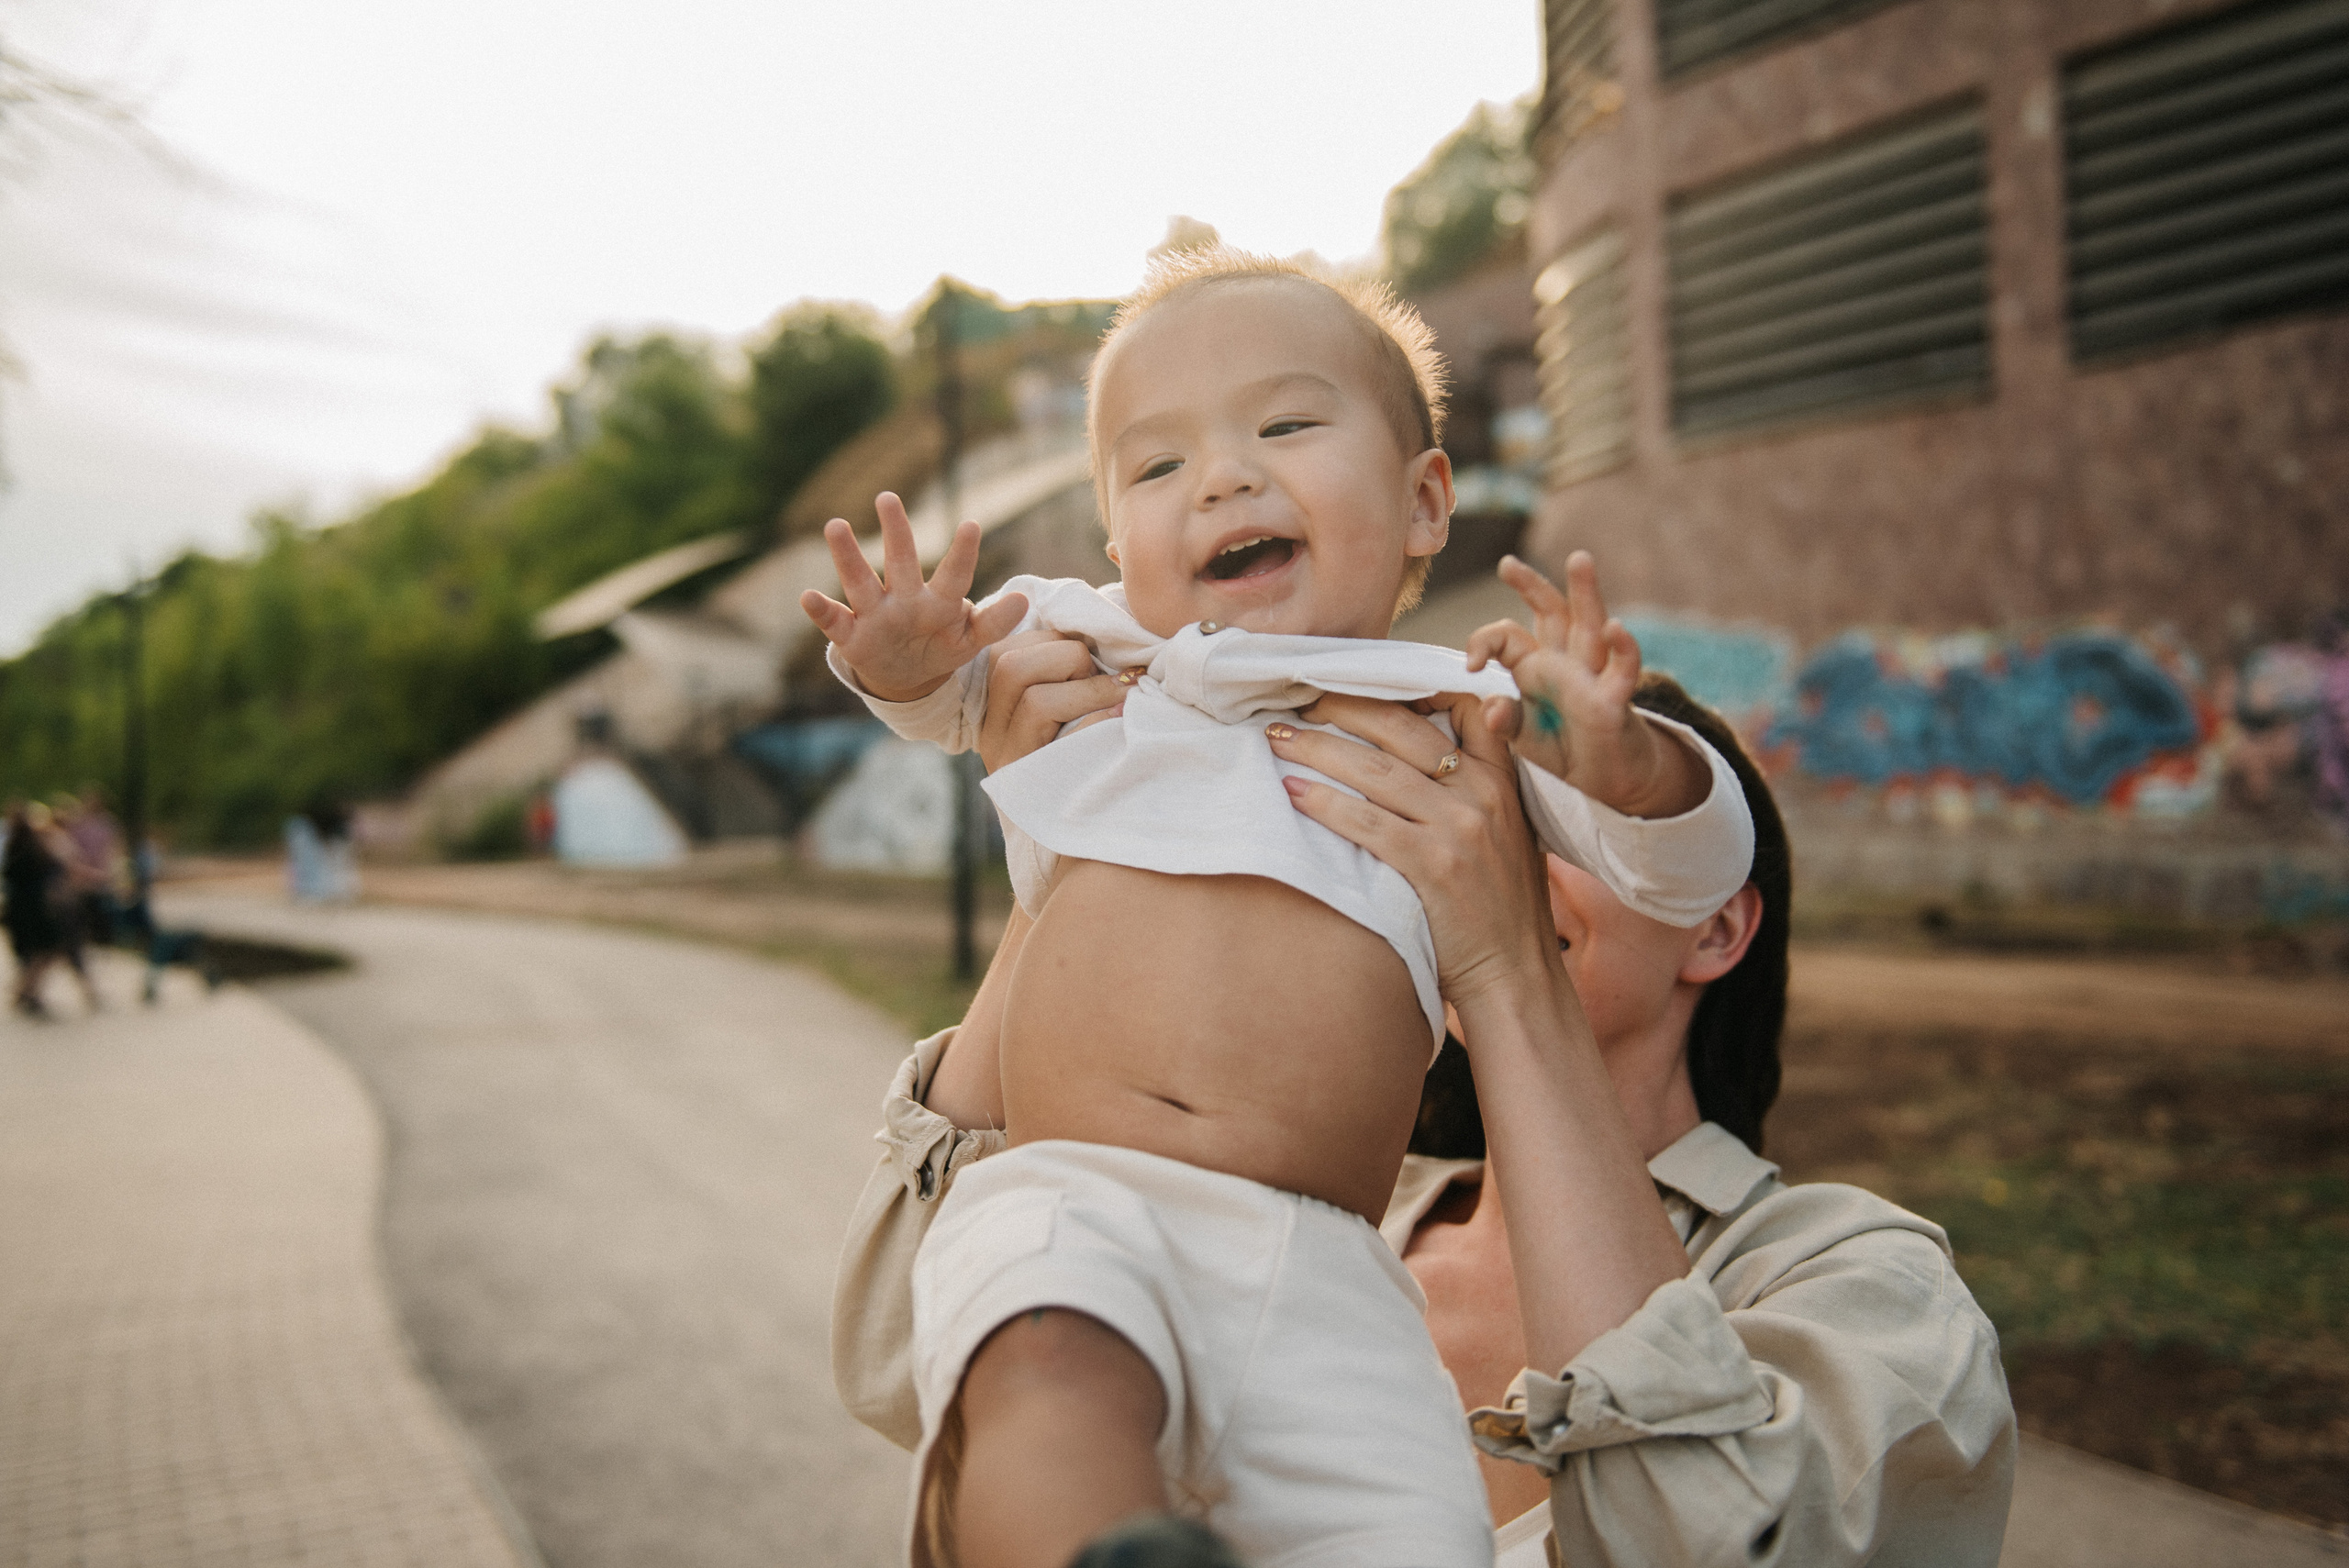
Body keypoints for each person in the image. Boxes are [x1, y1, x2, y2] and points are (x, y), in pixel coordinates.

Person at [807, 250, 1755, 1568]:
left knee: (1411, 1523)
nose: (1222, 478)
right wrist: (901, 665)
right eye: (1155, 466)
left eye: (1287, 425)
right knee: (1044, 1378)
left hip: (1325, 1269)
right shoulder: (1104, 659)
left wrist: (1631, 758)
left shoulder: (1458, 725)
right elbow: (949, 694)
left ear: (1427, 503)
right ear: (1116, 544)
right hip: (1082, 1194)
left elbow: (1688, 866)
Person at [836, 659, 2016, 1566]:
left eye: (1551, 830)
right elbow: (910, 1342)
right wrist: (1088, 820)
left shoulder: (1863, 1289)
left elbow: (1693, 1536)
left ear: (1715, 925)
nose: (1475, 847)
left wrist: (1510, 970)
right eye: (1450, 807)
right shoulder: (1328, 1216)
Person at [5, 802, 69, 1017]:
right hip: (33, 906)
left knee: (35, 952)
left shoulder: (13, 845)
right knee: (45, 948)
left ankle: (26, 991)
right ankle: (25, 991)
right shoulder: (31, 845)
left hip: (20, 905)